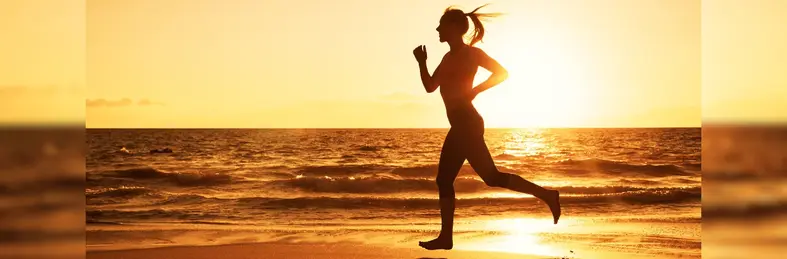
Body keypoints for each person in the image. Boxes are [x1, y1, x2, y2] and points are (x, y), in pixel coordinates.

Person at [412, 4, 561, 250]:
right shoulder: (447, 58)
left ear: (455, 28)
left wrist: (474, 91)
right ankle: (547, 195)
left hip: (467, 123)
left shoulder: (472, 54)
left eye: (442, 25)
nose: (437, 29)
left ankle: (446, 237)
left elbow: (502, 73)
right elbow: (430, 86)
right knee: (489, 178)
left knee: (446, 179)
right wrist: (421, 62)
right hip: (461, 124)